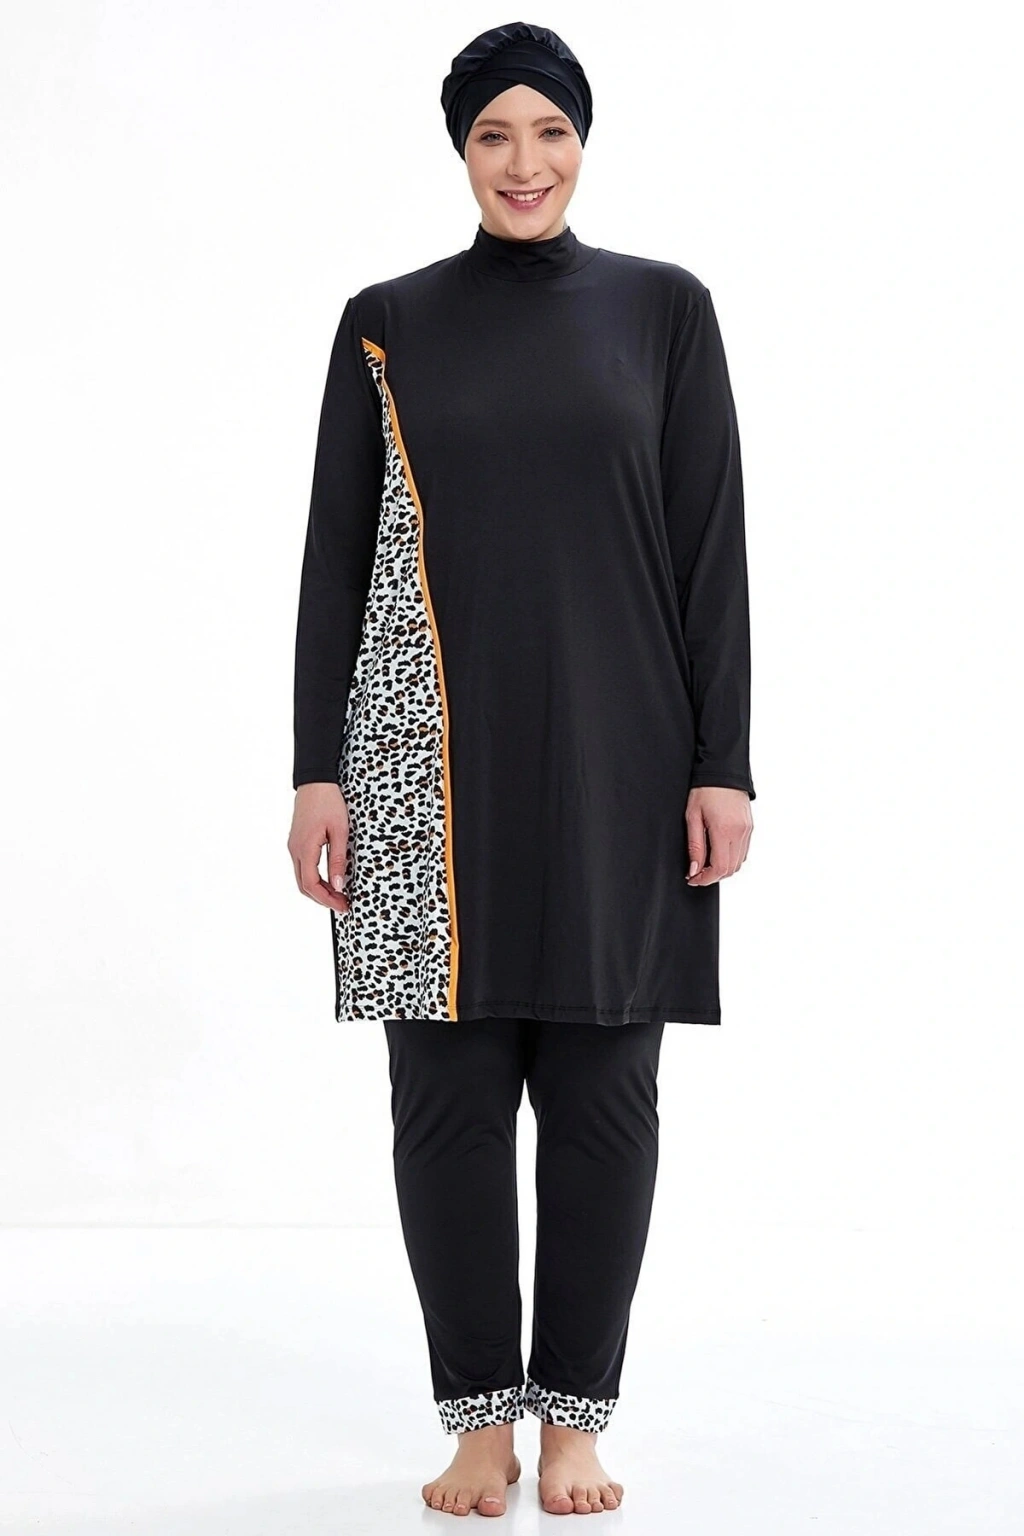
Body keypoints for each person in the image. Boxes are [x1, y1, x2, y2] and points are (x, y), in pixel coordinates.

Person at [287, 19, 755, 1519]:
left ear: (584, 141)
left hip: (624, 758)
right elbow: (335, 559)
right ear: (460, 150)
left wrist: (725, 764)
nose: (524, 161)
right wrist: (315, 770)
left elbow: (711, 550)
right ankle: (479, 1419)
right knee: (447, 1099)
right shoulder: (387, 325)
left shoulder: (664, 312)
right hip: (417, 764)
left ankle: (575, 1424)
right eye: (494, 134)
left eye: (549, 130)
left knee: (608, 1096)